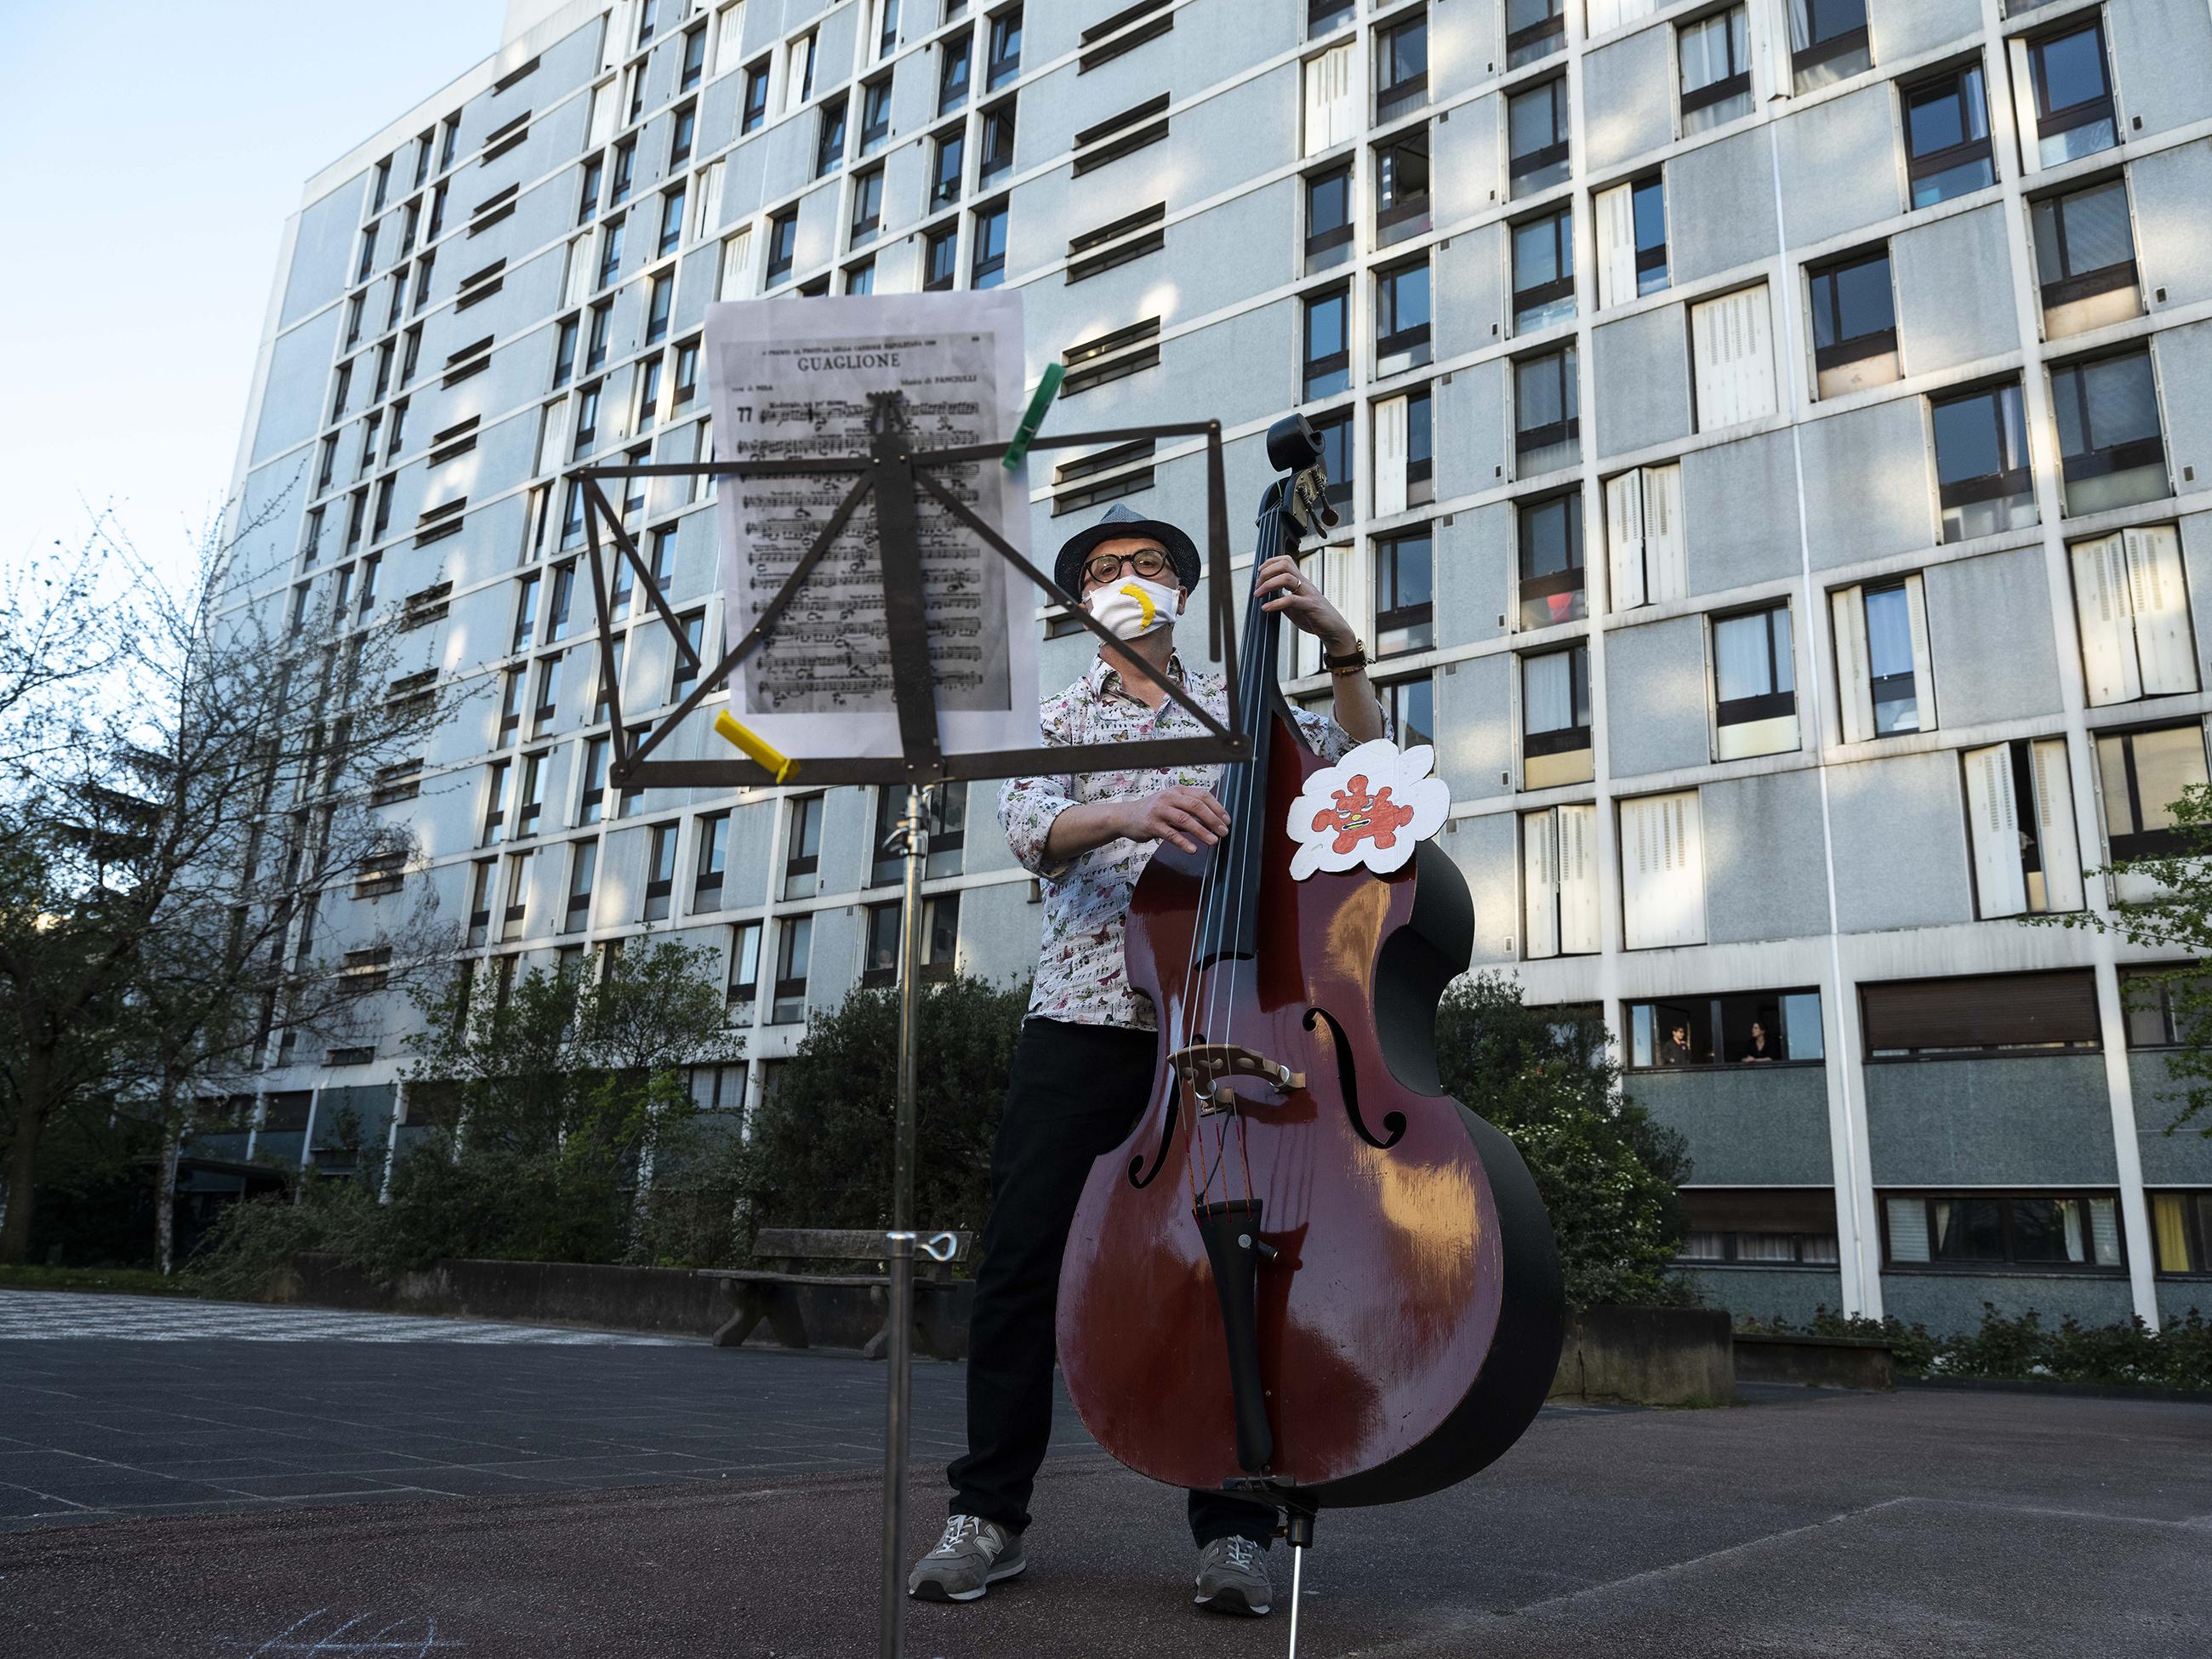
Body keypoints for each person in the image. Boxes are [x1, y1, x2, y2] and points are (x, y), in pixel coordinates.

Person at [908, 501, 1384, 1617]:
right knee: (1020, 1267)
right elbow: (1029, 823)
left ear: (1182, 588)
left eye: (1153, 563)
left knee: (1230, 1272)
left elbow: (1366, 780)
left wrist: (1343, 647)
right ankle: (988, 1514)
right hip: (1084, 1021)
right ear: (1080, 601)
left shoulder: (1239, 702)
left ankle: (1233, 1528)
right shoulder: (1057, 712)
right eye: (1108, 568)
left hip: (1227, 1021)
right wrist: (1133, 803)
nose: (1130, 577)